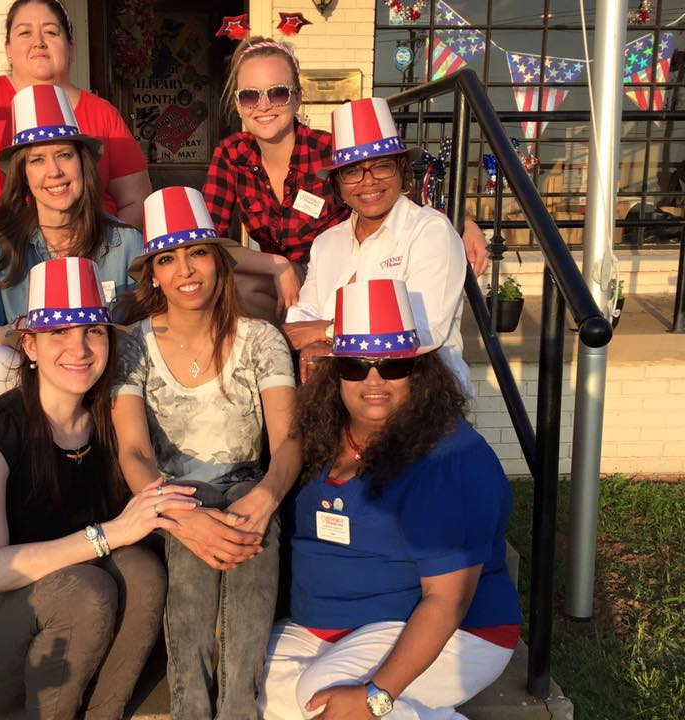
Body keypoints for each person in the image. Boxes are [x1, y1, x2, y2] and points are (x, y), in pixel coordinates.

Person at [0, 257, 200, 720]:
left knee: (143, 572)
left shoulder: (111, 425)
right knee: (86, 588)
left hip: (64, 629)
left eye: (93, 331)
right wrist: (109, 534)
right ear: (29, 345)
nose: (81, 348)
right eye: (59, 333)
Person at [261, 279, 521, 720]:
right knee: (250, 681)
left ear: (420, 370)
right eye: (356, 366)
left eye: (392, 366)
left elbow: (447, 600)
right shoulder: (323, 434)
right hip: (327, 627)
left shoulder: (450, 457)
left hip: (456, 630)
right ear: (335, 371)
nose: (374, 380)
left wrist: (377, 695)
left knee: (327, 694)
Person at [111, 186, 303, 719]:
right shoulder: (133, 344)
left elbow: (289, 439)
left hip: (248, 482)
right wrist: (175, 513)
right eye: (167, 259)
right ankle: (190, 708)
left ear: (218, 260)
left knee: (251, 529)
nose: (185, 270)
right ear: (152, 273)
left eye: (197, 252)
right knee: (192, 543)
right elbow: (133, 451)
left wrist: (268, 494)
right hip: (167, 493)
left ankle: (239, 706)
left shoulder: (261, 338)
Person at [203, 36, 488, 321]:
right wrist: (276, 265)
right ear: (239, 105)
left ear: (298, 97)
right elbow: (208, 241)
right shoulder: (232, 154)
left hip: (335, 277)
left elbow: (397, 193)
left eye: (278, 93)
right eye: (250, 96)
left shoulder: (331, 151)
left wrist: (464, 223)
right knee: (225, 290)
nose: (263, 106)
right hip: (274, 279)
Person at [0, 0, 151, 273]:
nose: (38, 42)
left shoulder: (102, 112)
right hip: (9, 262)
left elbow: (136, 199)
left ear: (71, 49)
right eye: (25, 33)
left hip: (90, 262)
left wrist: (107, 255)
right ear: (8, 50)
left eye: (51, 32)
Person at [0, 84, 144, 406]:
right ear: (23, 174)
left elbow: (145, 327)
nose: (54, 172)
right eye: (37, 160)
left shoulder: (124, 241)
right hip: (31, 380)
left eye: (64, 155)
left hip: (106, 379)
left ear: (83, 163)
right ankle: (18, 452)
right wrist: (29, 333)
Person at [282, 97, 471, 395]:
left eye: (381, 167)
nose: (368, 182)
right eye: (353, 171)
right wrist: (318, 335)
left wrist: (327, 333)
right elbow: (302, 317)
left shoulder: (430, 231)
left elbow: (422, 330)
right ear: (338, 184)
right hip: (343, 390)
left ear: (402, 171)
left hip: (421, 392)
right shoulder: (326, 243)